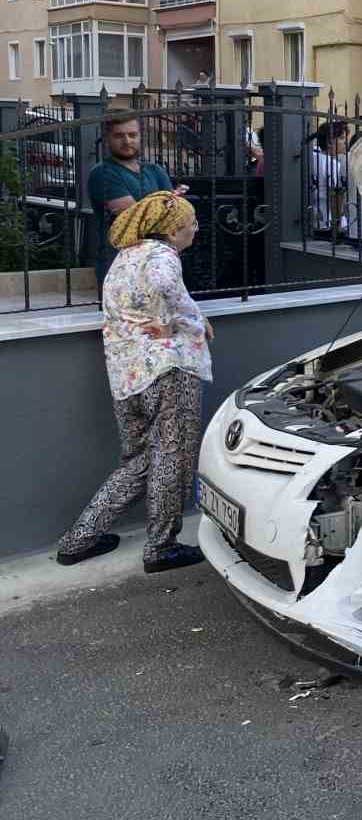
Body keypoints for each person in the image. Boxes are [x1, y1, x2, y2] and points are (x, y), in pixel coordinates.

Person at [57, 191, 211, 572]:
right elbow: (163, 286)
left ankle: (79, 539)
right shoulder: (162, 257)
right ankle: (161, 548)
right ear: (174, 231)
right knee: (170, 462)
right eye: (191, 223)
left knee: (141, 460)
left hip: (127, 377)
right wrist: (193, 319)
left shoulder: (124, 258)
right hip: (168, 371)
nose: (196, 228)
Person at [88, 115, 181, 285]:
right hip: (120, 264)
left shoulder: (155, 170)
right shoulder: (103, 173)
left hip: (159, 263)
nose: (127, 141)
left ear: (140, 136)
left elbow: (175, 215)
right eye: (119, 135)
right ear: (107, 139)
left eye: (132, 135)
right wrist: (165, 203)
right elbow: (134, 217)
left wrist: (166, 207)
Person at [308, 120, 350, 239]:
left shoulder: (312, 158)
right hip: (330, 219)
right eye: (342, 138)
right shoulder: (333, 164)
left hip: (314, 217)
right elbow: (337, 195)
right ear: (330, 142)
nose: (345, 142)